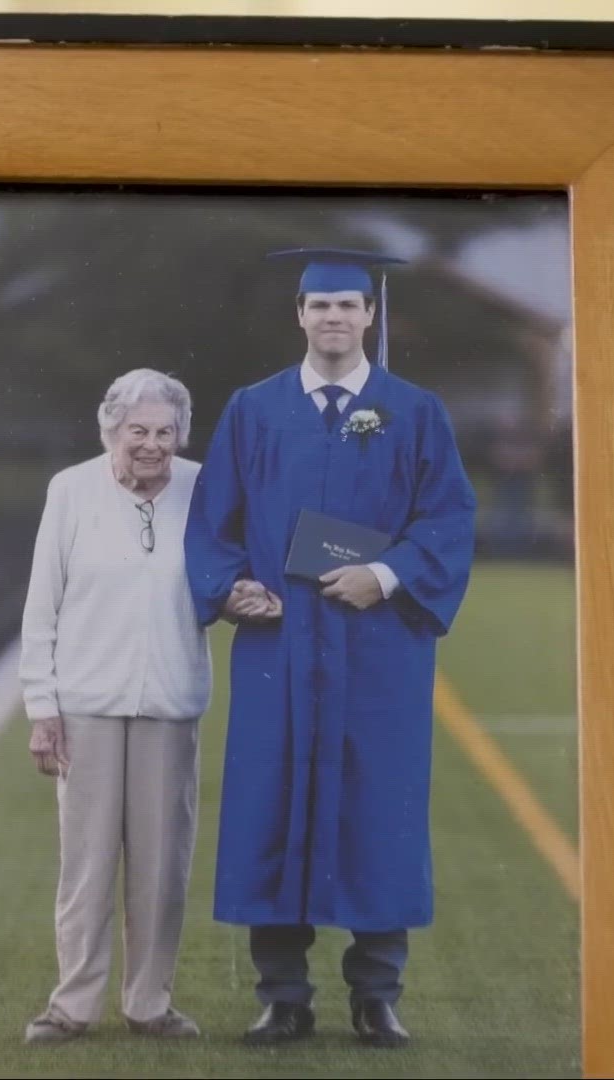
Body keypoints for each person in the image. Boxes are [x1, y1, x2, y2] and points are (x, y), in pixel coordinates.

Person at [183, 247, 477, 1048]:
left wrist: (382, 575)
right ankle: (283, 996)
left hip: (377, 652)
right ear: (299, 315)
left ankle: (376, 996)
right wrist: (233, 586)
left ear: (370, 314)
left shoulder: (414, 412)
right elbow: (213, 522)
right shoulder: (254, 408)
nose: (334, 318)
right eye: (319, 306)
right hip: (280, 649)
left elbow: (447, 521)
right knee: (270, 807)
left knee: (377, 812)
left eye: (348, 304)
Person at [18, 368, 211, 1045]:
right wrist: (43, 706)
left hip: (170, 703)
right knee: (87, 864)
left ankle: (149, 1003)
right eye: (138, 431)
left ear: (181, 435)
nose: (152, 445)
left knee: (162, 867)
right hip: (86, 707)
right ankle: (72, 1005)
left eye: (164, 432)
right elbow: (43, 604)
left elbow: (227, 574)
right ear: (111, 432)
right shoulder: (70, 490)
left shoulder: (204, 487)